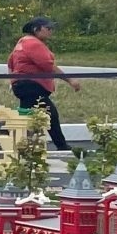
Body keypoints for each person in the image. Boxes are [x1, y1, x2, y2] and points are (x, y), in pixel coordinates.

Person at [9, 16, 78, 152]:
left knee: (27, 116)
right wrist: (70, 80)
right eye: (48, 28)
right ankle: (61, 146)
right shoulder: (34, 44)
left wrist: (13, 80)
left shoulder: (22, 42)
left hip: (23, 85)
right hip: (32, 85)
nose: (51, 31)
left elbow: (10, 63)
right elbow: (48, 65)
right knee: (50, 115)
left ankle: (22, 145)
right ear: (36, 29)